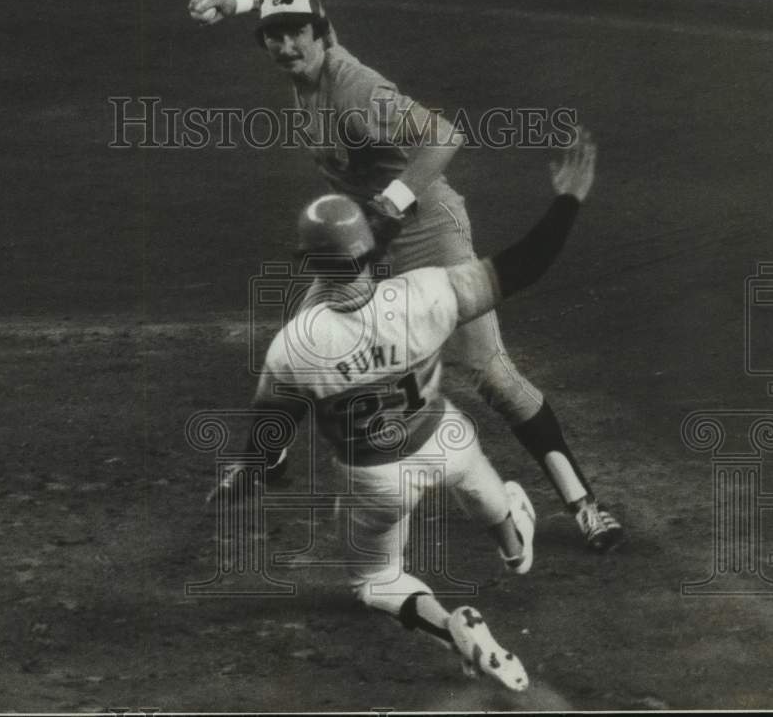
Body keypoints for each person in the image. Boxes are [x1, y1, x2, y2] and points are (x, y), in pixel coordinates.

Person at [189, 0, 623, 551]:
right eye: (273, 35)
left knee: (491, 373)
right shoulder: (308, 62)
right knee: (302, 340)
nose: (286, 45)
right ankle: (261, 461)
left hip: (423, 231)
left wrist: (389, 209)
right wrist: (234, 1)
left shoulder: (355, 87)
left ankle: (584, 505)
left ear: (321, 33)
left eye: (296, 33)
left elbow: (443, 136)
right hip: (362, 239)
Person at [206, 130, 598, 689]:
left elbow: (272, 433)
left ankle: (453, 627)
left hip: (376, 479)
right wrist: (568, 198)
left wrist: (253, 470)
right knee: (480, 481)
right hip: (447, 443)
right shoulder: (428, 293)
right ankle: (513, 544)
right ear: (373, 250)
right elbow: (526, 264)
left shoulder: (294, 345)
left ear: (307, 261)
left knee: (377, 580)